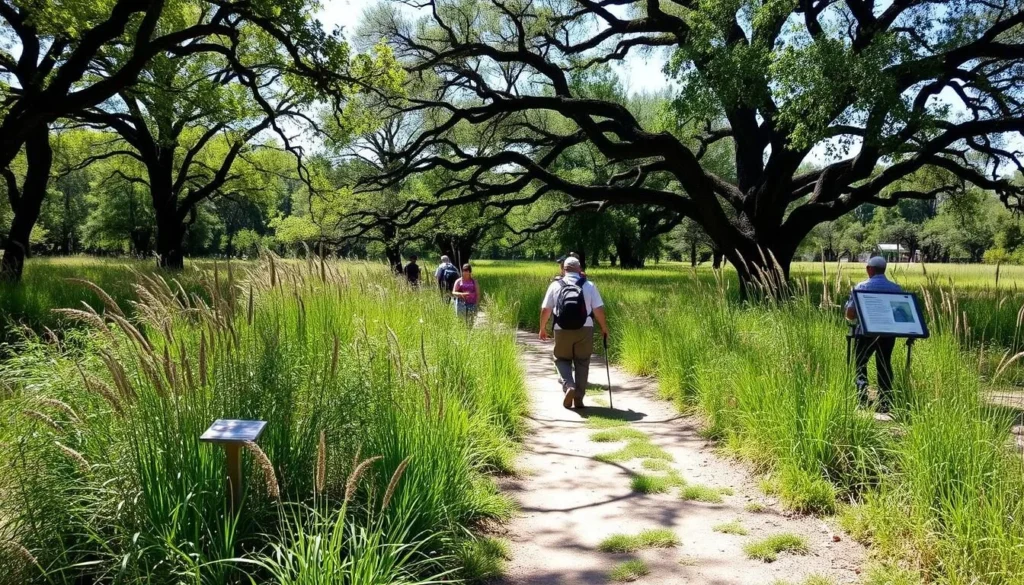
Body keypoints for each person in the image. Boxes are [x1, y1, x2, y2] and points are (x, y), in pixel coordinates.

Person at [539, 256, 609, 409]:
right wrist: (604, 328)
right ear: (579, 269)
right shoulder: (589, 285)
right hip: (585, 328)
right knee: (582, 362)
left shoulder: (555, 285)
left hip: (561, 328)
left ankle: (569, 385)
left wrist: (542, 328)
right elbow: (598, 310)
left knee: (561, 359)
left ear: (563, 269)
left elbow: (546, 309)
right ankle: (578, 398)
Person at [845, 256, 904, 412]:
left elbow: (850, 314)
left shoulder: (861, 287)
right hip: (889, 333)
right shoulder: (896, 288)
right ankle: (885, 402)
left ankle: (862, 400)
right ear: (884, 269)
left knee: (860, 364)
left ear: (869, 269)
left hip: (865, 333)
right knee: (884, 364)